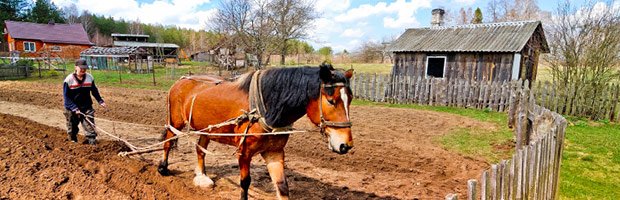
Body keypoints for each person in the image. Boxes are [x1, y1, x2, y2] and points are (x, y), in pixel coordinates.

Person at [63, 59, 106, 145]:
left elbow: (94, 90)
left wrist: (100, 101)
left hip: (86, 106)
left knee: (89, 125)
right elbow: (66, 97)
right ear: (76, 68)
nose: (83, 70)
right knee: (72, 127)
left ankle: (91, 142)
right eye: (81, 68)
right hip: (72, 108)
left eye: (84, 68)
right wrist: (74, 108)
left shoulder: (89, 78)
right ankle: (73, 141)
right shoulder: (69, 80)